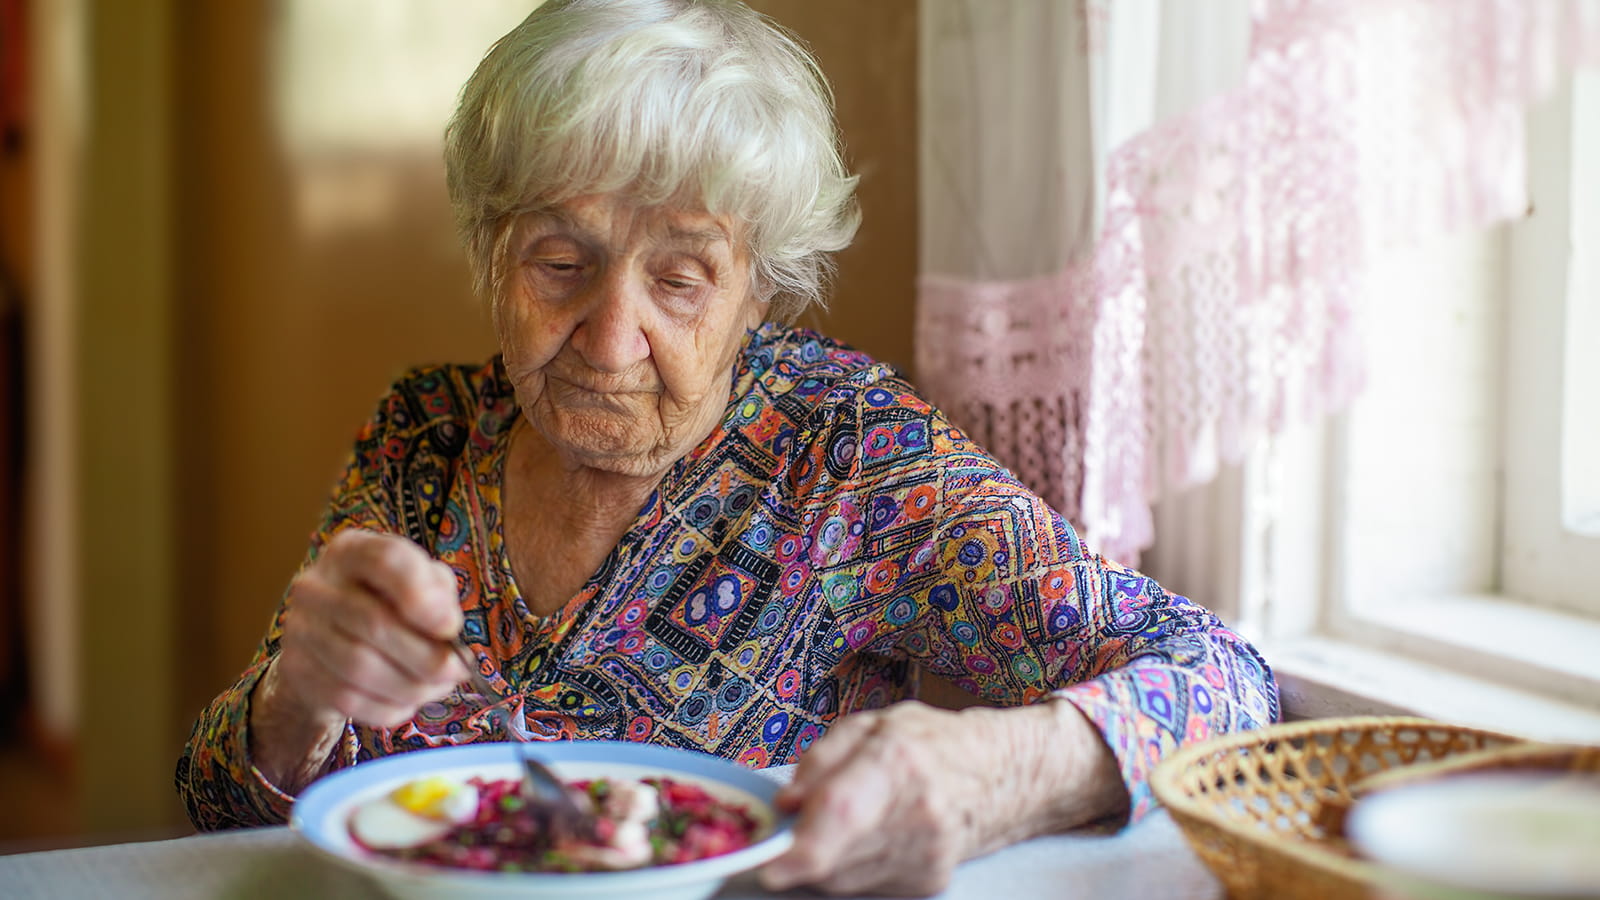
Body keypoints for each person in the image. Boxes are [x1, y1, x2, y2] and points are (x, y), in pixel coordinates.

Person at [176, 0, 1278, 894]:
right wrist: (296, 700)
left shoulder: (851, 459)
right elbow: (217, 802)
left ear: (758, 294)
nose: (612, 338)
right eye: (560, 261)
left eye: (680, 277)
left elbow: (1222, 680)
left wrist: (996, 772)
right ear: (487, 251)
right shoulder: (426, 434)